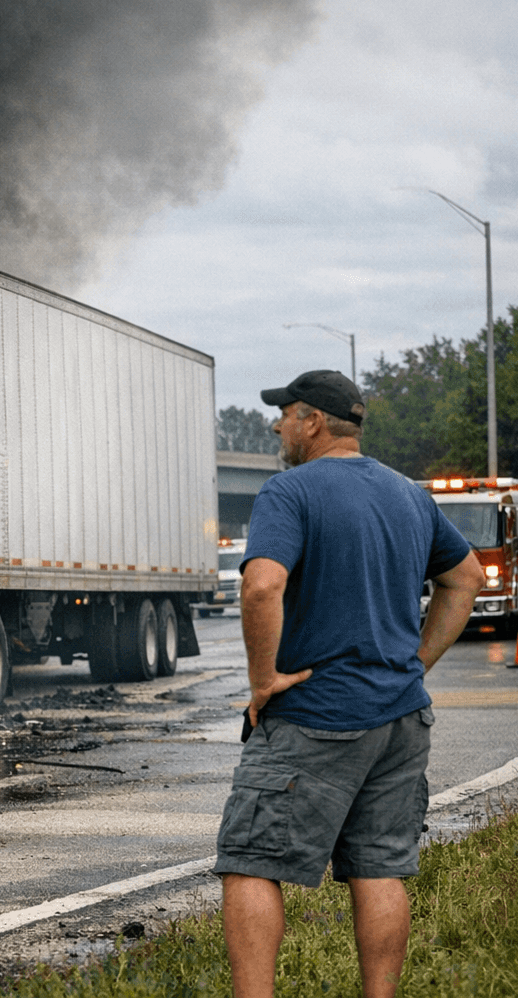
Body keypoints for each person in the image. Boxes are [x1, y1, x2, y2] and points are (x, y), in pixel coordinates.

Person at [215, 369, 484, 998]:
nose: (276, 426)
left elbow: (260, 585)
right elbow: (465, 578)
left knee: (250, 861)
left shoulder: (290, 491)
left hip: (316, 714)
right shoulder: (409, 494)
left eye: (283, 415)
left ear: (310, 420)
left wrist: (263, 682)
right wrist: (416, 664)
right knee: (380, 869)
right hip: (400, 718)